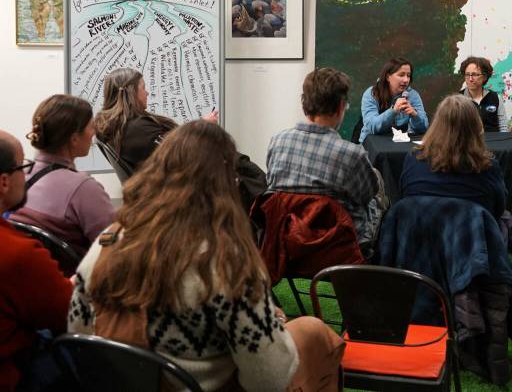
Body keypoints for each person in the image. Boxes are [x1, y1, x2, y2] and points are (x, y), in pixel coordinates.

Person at [69, 120, 344, 392]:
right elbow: (268, 380)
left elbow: (77, 333)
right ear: (225, 186)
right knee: (313, 333)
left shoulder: (106, 242)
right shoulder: (227, 263)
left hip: (112, 384)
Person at [0, 129, 73, 392]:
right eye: (23, 167)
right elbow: (72, 317)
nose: (27, 175)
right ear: (3, 183)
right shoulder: (12, 252)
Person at [93, 67, 265, 208]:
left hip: (160, 190)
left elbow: (171, 143)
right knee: (246, 173)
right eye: (143, 88)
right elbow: (179, 154)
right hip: (176, 192)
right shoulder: (137, 129)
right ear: (131, 93)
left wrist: (198, 126)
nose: (147, 93)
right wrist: (202, 129)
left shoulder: (114, 127)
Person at [400, 93, 512, 266]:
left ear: (436, 124)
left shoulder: (413, 159)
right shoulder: (486, 166)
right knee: (500, 216)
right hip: (475, 248)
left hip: (423, 244)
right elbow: (498, 208)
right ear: (475, 126)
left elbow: (405, 195)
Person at [267, 67, 385, 250]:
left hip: (289, 246)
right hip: (339, 249)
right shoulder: (352, 155)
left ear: (304, 104)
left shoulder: (277, 142)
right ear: (340, 107)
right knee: (379, 192)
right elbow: (366, 196)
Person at [11, 94, 115, 255]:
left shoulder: (18, 176)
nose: (94, 132)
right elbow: (113, 246)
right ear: (74, 139)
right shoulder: (84, 189)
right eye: (91, 126)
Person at [359, 57, 428, 142]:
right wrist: (393, 111)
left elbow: (424, 128)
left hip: (399, 145)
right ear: (388, 77)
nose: (406, 80)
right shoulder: (371, 93)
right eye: (401, 75)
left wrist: (415, 115)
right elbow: (372, 127)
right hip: (372, 145)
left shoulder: (413, 95)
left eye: (408, 76)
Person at [459, 56, 508, 132]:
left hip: (494, 142)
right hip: (468, 143)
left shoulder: (496, 97)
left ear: (484, 77)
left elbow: (503, 126)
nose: (470, 79)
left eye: (475, 75)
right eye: (467, 75)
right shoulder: (457, 100)